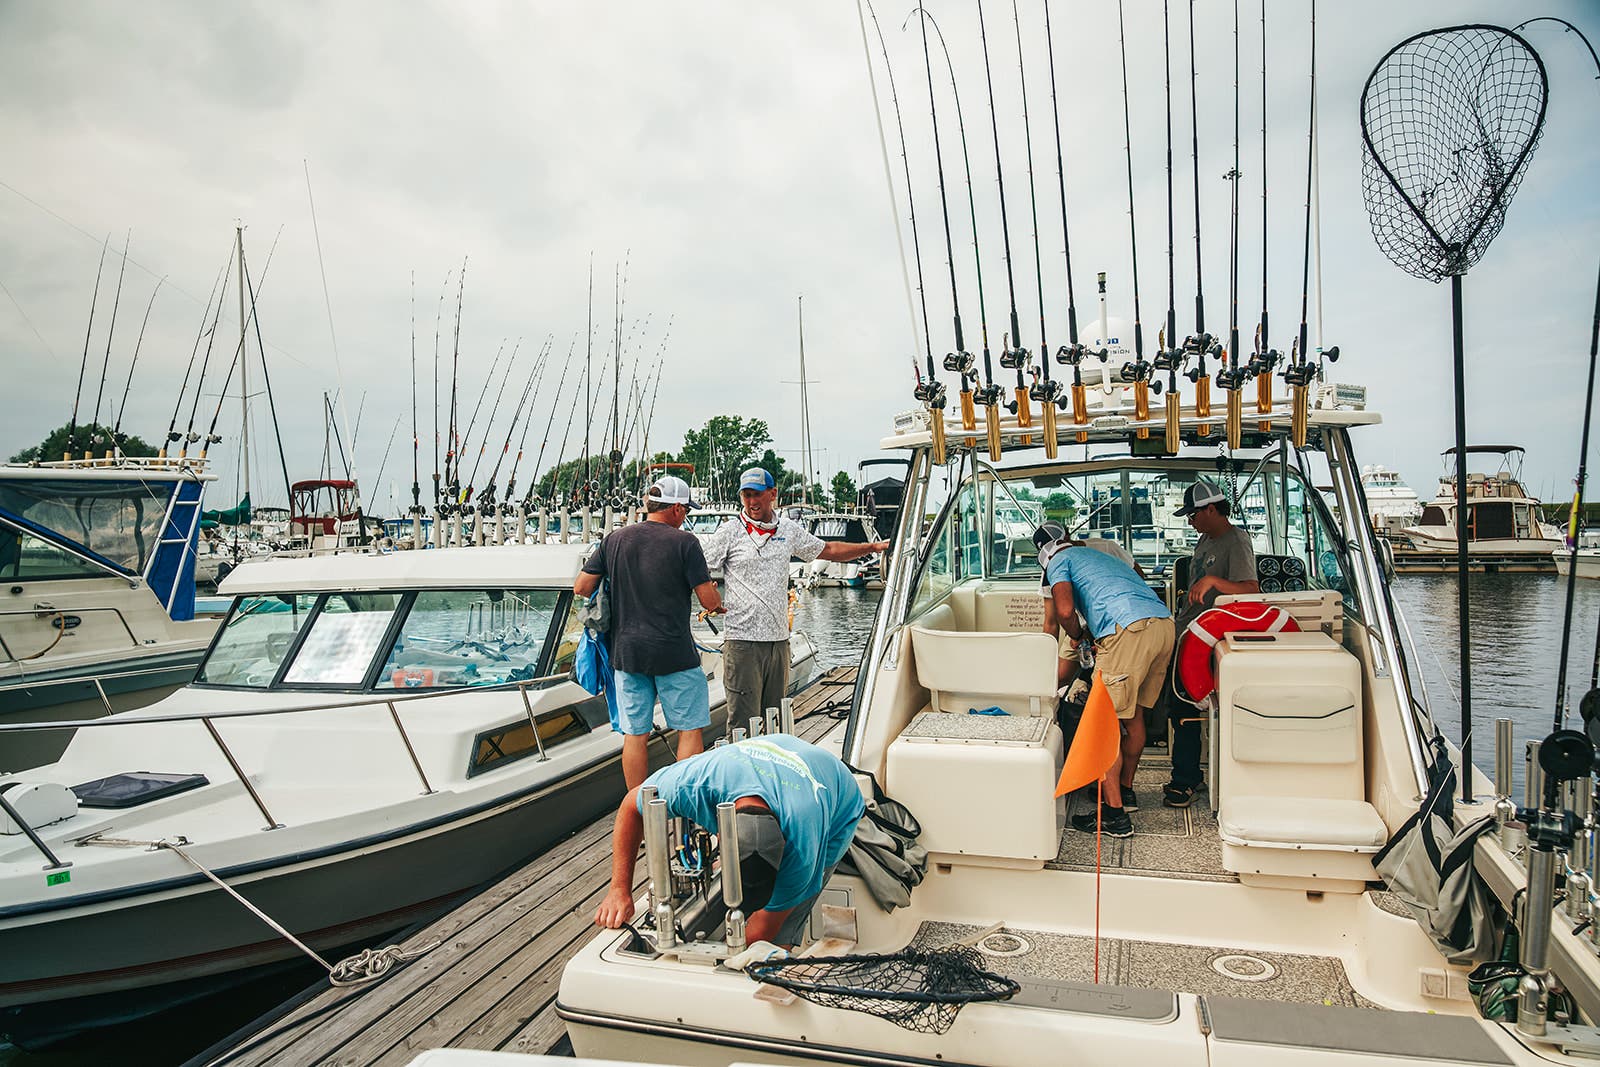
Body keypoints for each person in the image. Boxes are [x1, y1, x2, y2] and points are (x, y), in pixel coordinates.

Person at [594, 734, 865, 947]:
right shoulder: (693, 784)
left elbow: (764, 930)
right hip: (764, 759)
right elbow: (631, 805)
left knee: (781, 928)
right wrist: (619, 889)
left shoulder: (803, 847)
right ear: (721, 837)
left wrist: (729, 956)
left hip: (839, 795)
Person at [702, 467, 888, 725]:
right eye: (746, 496)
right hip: (742, 641)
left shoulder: (788, 530)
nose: (752, 502)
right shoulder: (730, 531)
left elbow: (830, 550)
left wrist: (874, 546)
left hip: (778, 641)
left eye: (757, 495)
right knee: (743, 722)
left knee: (775, 718)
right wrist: (708, 595)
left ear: (772, 494)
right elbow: (699, 568)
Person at [575, 475, 725, 791]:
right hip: (674, 652)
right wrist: (717, 605)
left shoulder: (614, 540)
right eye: (685, 510)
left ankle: (638, 808)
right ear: (676, 509)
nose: (685, 517)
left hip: (627, 653)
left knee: (635, 735)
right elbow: (708, 600)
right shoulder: (685, 543)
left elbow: (582, 587)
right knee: (689, 730)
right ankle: (684, 802)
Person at [1038, 526, 1175, 838]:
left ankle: (1114, 816)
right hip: (1163, 625)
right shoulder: (1096, 554)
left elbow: (1063, 611)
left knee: (1102, 723)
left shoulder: (1058, 560)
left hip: (1128, 628)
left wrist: (1078, 635)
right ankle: (1124, 790)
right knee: (1134, 713)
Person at [1163, 480, 1258, 808]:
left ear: (1212, 509)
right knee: (1177, 708)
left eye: (1193, 514)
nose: (1190, 520)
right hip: (1187, 632)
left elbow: (1251, 591)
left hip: (1210, 641)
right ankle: (1188, 774)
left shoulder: (1236, 541)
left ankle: (1185, 780)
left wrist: (1215, 580)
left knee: (1185, 708)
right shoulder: (1204, 540)